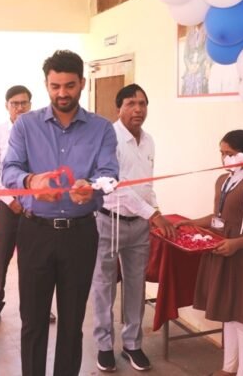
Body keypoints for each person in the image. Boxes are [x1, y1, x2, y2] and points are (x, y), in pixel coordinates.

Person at [2, 50, 119, 376]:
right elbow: (9, 170)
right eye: (55, 86)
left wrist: (92, 186)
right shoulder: (26, 125)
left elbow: (110, 175)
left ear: (82, 83)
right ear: (46, 85)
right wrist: (31, 181)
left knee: (72, 322)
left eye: (69, 85)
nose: (62, 93)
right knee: (33, 321)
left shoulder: (102, 129)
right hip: (35, 232)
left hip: (80, 234)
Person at [175, 130, 243, 376]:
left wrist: (235, 244)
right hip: (222, 252)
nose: (224, 159)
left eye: (230, 153)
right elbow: (217, 218)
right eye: (222, 153)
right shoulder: (223, 180)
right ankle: (228, 368)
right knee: (228, 315)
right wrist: (192, 223)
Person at [91, 84, 175, 373]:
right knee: (103, 286)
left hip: (138, 225)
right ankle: (104, 346)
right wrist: (154, 215)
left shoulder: (149, 141)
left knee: (136, 285)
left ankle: (132, 344)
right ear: (119, 109)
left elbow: (146, 185)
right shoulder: (108, 138)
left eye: (142, 103)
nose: (138, 109)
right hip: (108, 221)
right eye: (131, 103)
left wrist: (155, 211)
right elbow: (117, 186)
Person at [0, 85, 34, 327]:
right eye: (15, 103)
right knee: (1, 256)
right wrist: (11, 201)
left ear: (30, 105)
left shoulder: (39, 131)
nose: (20, 107)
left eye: (24, 103)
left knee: (33, 259)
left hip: (35, 206)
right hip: (8, 204)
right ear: (7, 106)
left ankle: (35, 306)